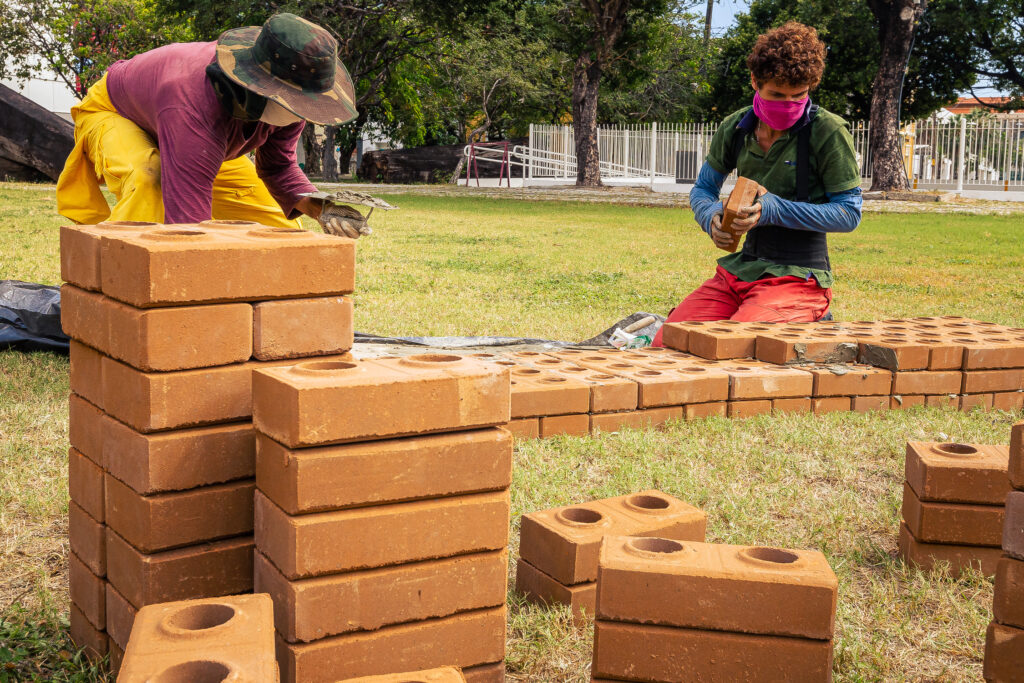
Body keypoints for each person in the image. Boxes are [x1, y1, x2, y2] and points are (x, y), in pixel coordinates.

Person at [57, 13, 367, 238]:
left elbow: (278, 168)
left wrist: (319, 208)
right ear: (260, 89)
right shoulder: (193, 103)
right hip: (117, 111)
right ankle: (124, 285)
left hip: (191, 138)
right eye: (299, 104)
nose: (306, 114)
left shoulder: (287, 102)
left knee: (279, 228)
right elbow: (188, 227)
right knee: (149, 178)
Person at [651, 21, 862, 346]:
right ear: (755, 82)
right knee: (669, 340)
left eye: (799, 95)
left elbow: (849, 214)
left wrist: (774, 209)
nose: (789, 103)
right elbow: (703, 189)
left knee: (734, 345)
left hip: (800, 278)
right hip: (741, 271)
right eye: (777, 94)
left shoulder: (828, 132)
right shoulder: (735, 128)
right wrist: (710, 217)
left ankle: (813, 317)